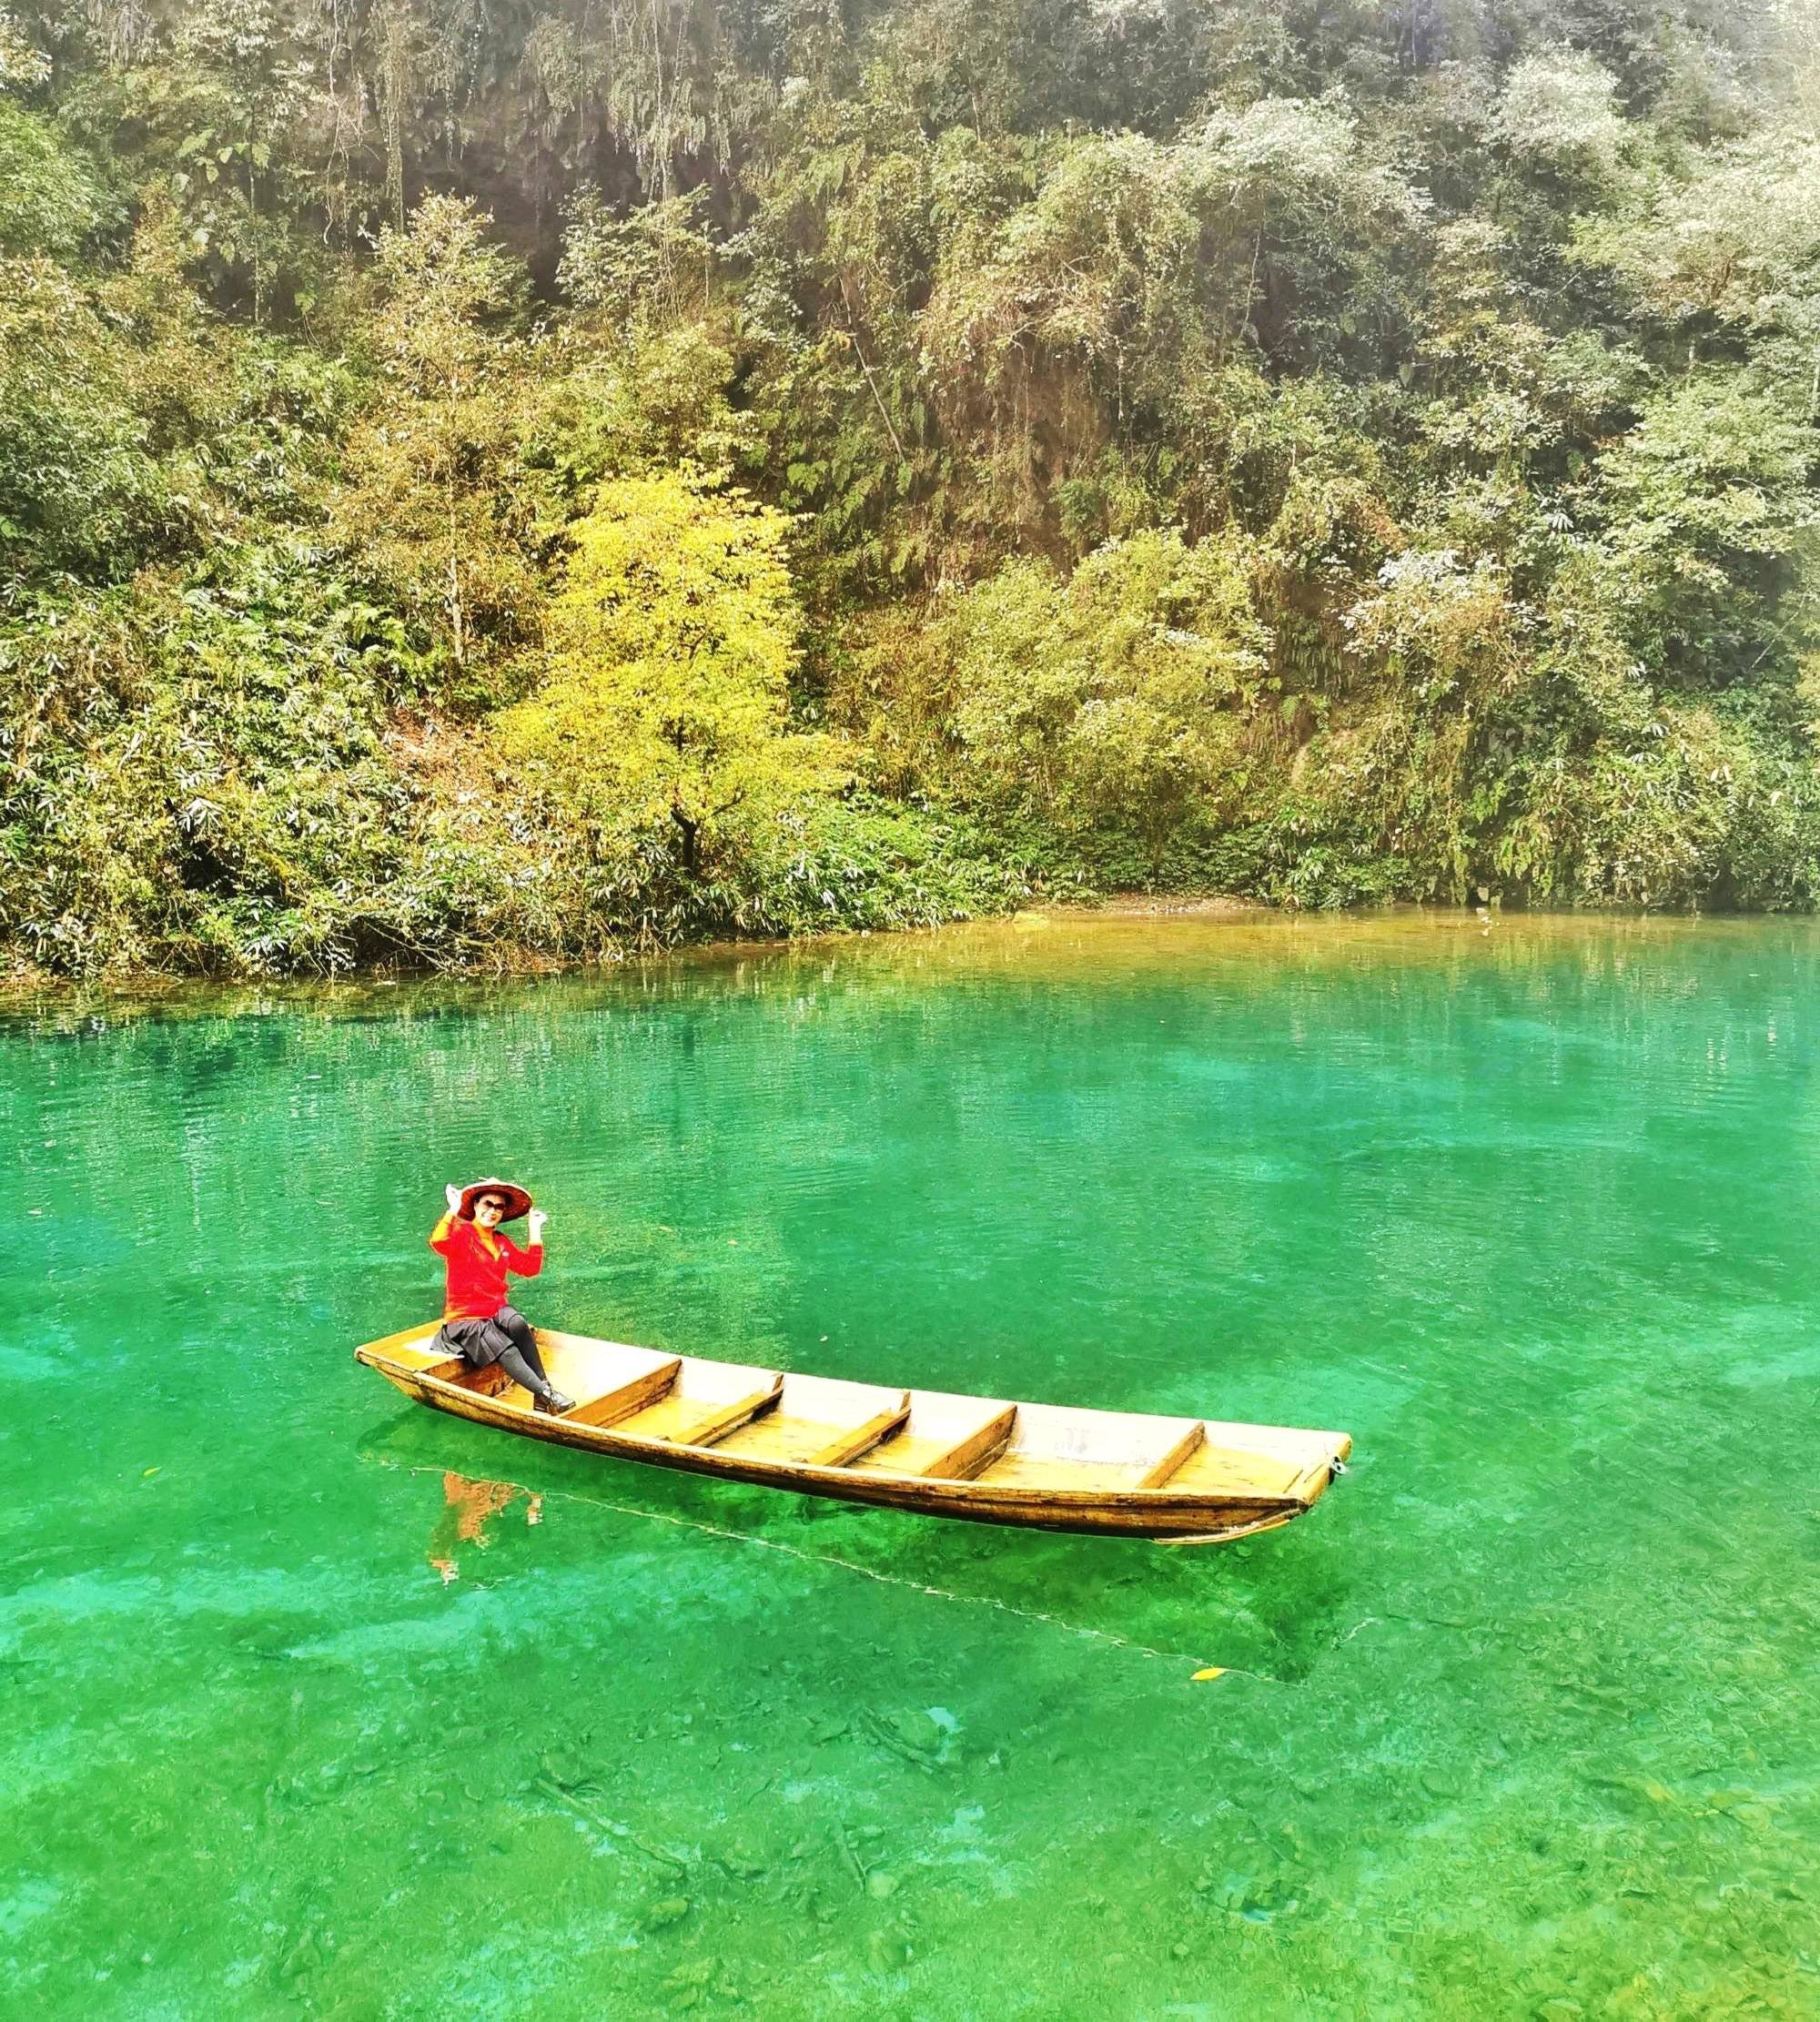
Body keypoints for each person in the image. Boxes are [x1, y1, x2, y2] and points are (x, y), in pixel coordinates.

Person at [429, 1178, 575, 1414]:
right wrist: (453, 1209)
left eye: (499, 1207)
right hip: (465, 1318)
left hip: (494, 1308)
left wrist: (535, 1230)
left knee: (517, 1323)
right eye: (488, 1204)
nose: (493, 1211)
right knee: (506, 1348)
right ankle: (548, 1395)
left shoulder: (501, 1241)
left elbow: (530, 1268)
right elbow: (438, 1242)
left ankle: (540, 1394)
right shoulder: (463, 1234)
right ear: (476, 1205)